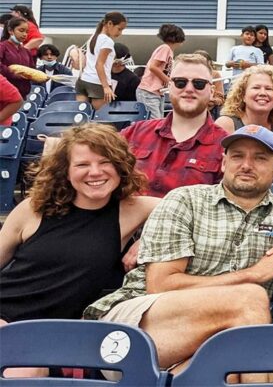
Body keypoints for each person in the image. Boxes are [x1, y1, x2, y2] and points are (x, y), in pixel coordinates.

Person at [82, 125, 273, 378]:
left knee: (230, 365)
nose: (246, 165)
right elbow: (161, 285)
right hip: (139, 327)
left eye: (260, 158)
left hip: (214, 343)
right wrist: (253, 275)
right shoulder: (185, 200)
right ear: (224, 162)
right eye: (237, 156)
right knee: (251, 297)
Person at [0, 124, 158, 328]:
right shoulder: (33, 208)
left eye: (105, 162)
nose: (95, 172)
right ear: (65, 171)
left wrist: (148, 238)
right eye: (82, 165)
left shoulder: (131, 210)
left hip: (52, 334)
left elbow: (191, 204)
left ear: (121, 167)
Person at [121, 53, 229, 198]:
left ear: (211, 92)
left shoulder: (226, 146)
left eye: (199, 83)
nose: (189, 89)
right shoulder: (135, 133)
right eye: (180, 82)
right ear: (169, 87)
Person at [216, 65, 273, 182]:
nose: (262, 93)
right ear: (242, 95)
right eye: (256, 87)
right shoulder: (225, 125)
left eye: (269, 89)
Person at [76, 11, 127, 109]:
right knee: (101, 119)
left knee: (81, 116)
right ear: (110, 23)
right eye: (119, 29)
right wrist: (106, 87)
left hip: (83, 80)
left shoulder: (93, 37)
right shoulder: (107, 41)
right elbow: (99, 64)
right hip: (98, 83)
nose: (120, 33)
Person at [137, 24, 185, 119]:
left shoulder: (168, 50)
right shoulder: (165, 48)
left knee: (159, 121)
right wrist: (169, 81)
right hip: (149, 91)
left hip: (156, 92)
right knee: (154, 122)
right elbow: (153, 67)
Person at [0, 17, 36, 97]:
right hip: (5, 94)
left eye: (27, 32)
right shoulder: (2, 47)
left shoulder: (26, 51)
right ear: (10, 31)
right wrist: (13, 74)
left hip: (23, 94)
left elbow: (32, 69)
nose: (24, 34)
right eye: (21, 30)